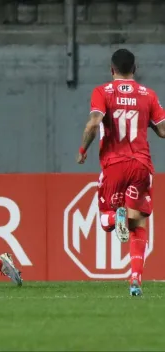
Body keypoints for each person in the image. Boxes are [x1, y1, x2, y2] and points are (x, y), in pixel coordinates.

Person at [77, 49, 165, 296]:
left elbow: (94, 123)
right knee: (139, 222)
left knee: (107, 218)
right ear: (135, 69)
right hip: (141, 165)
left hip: (114, 165)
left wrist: (83, 148)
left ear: (111, 69)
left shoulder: (102, 92)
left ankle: (118, 219)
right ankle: (135, 278)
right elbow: (163, 130)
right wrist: (145, 117)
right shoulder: (148, 95)